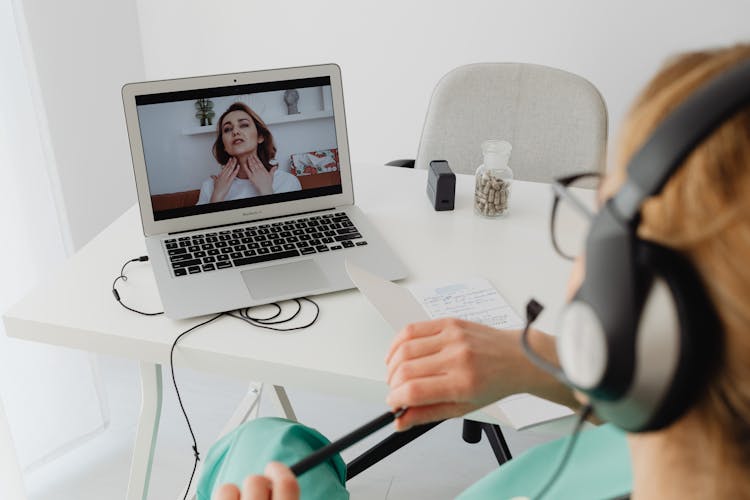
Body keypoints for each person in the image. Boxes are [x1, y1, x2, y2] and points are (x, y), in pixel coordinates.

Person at [202, 44, 750, 499]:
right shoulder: (674, 419)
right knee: (269, 440)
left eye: (599, 216)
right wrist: (534, 358)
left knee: (261, 444)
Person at [196, 102, 301, 205]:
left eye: (244, 125)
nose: (235, 132)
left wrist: (267, 192)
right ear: (224, 146)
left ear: (260, 136)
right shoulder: (210, 186)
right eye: (227, 129)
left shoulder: (287, 182)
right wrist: (217, 197)